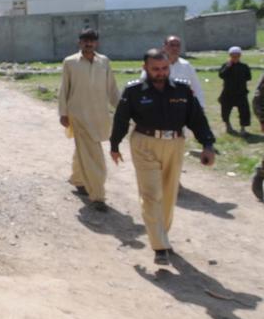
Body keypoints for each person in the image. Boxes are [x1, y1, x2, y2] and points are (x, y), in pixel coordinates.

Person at [110, 48, 216, 265]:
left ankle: (162, 235)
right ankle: (159, 246)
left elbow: (197, 119)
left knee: (168, 193)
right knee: (152, 194)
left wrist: (207, 144)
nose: (160, 73)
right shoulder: (134, 91)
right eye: (155, 69)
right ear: (145, 68)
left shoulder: (182, 91)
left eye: (164, 68)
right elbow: (121, 119)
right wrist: (115, 144)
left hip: (174, 144)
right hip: (144, 143)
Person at [58, 28, 120, 212]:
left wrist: (124, 109)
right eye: (85, 40)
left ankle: (78, 180)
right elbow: (64, 88)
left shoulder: (104, 61)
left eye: (92, 40)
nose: (89, 43)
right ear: (79, 43)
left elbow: (112, 88)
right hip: (78, 116)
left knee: (83, 150)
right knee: (94, 157)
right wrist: (63, 113)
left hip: (99, 116)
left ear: (96, 43)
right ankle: (97, 195)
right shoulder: (70, 62)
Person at [218, 46, 252, 135]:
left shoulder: (244, 66)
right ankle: (228, 126)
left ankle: (243, 128)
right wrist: (228, 67)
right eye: (233, 56)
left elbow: (249, 77)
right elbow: (221, 75)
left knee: (244, 111)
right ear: (230, 56)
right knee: (225, 110)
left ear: (240, 56)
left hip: (241, 93)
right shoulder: (225, 65)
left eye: (237, 56)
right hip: (228, 93)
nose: (235, 57)